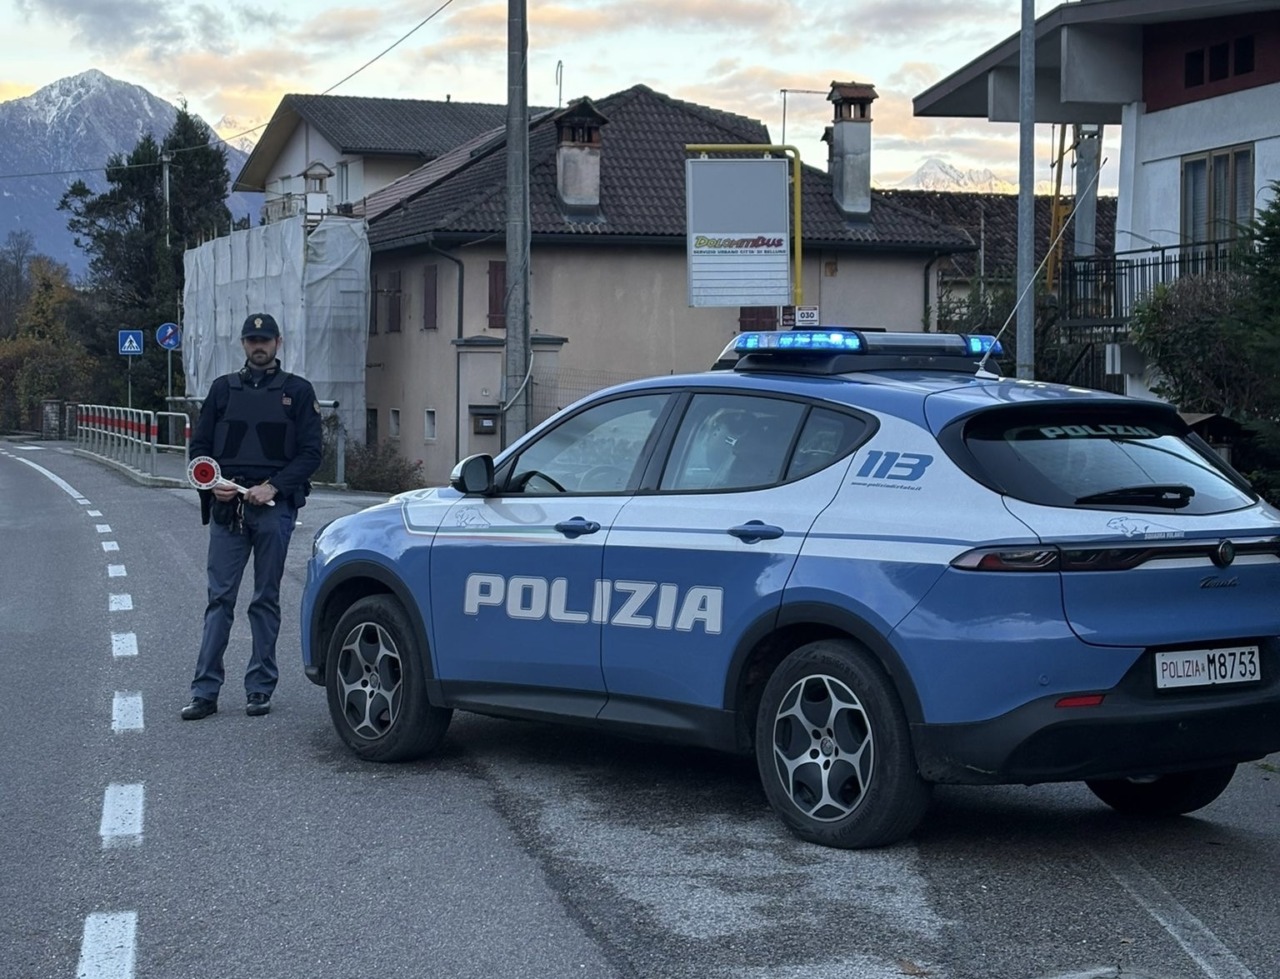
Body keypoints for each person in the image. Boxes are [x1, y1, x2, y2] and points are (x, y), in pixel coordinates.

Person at [181, 312, 323, 720]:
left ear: (278, 342)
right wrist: (211, 484)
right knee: (219, 601)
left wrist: (274, 487)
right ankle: (204, 692)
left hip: (274, 508)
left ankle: (259, 689)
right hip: (229, 506)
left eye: (264, 339)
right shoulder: (223, 390)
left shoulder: (297, 392)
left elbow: (311, 454)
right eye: (251, 340)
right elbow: (200, 451)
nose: (258, 346)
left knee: (265, 600)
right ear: (243, 344)